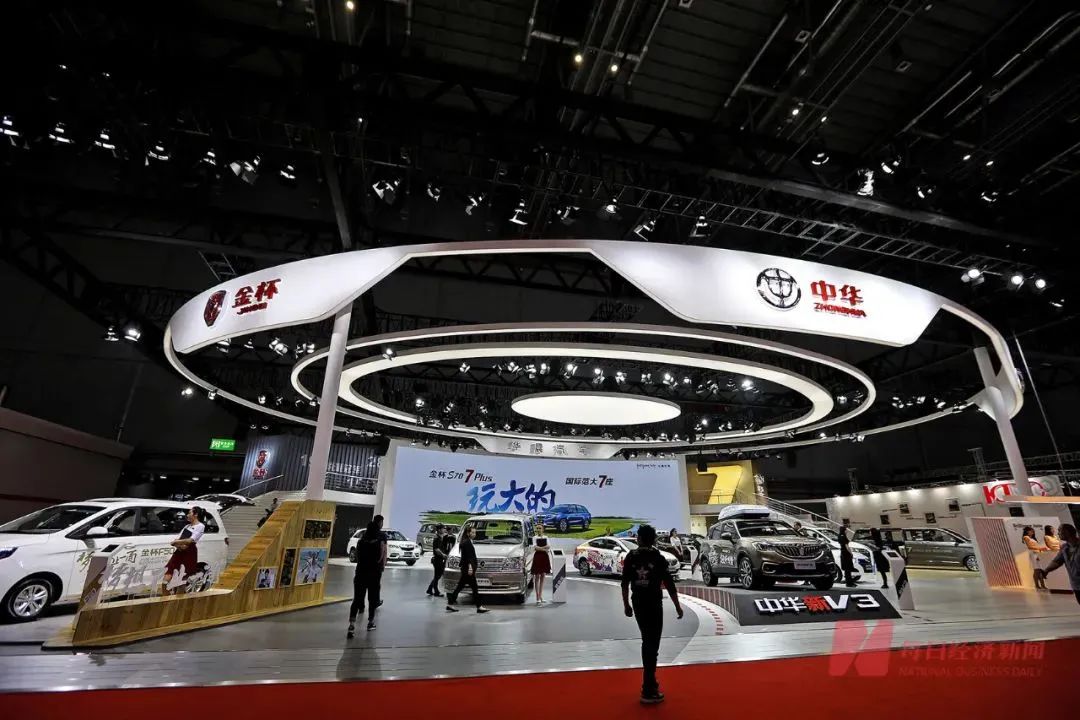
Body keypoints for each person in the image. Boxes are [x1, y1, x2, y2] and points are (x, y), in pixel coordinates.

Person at [622, 524, 683, 705]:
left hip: (638, 602)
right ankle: (648, 687)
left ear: (639, 539)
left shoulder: (631, 556)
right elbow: (669, 583)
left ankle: (650, 683)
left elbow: (624, 583)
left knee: (646, 640)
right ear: (654, 539)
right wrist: (677, 606)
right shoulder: (658, 557)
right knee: (652, 643)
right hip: (654, 603)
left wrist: (626, 605)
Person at [348, 520, 387, 636]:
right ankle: (370, 622)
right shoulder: (378, 542)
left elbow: (358, 557)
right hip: (374, 574)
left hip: (360, 573)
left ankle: (351, 625)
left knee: (357, 599)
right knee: (372, 599)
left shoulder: (360, 542)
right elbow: (380, 558)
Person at [162, 507, 205, 595]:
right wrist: (179, 545)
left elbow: (190, 540)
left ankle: (179, 600)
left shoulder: (200, 526)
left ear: (196, 514)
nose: (187, 515)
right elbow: (178, 539)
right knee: (167, 575)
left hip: (189, 553)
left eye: (189, 513)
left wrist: (177, 542)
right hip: (179, 552)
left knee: (182, 579)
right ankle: (165, 598)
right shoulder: (187, 526)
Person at [446, 526, 488, 614]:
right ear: (468, 533)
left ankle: (450, 603)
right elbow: (468, 557)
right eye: (472, 532)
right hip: (468, 569)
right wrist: (470, 568)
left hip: (466, 569)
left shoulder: (466, 541)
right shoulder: (467, 543)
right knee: (474, 588)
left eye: (475, 532)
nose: (474, 534)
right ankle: (479, 607)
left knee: (460, 587)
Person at [1037, 524, 1080, 605]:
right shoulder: (1064, 547)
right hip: (1076, 584)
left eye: (1060, 530)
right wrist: (1046, 570)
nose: (1058, 533)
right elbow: (1057, 561)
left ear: (1067, 532)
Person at [426, 525, 451, 597]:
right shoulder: (436, 538)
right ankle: (436, 591)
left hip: (440, 559)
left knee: (437, 576)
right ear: (439, 530)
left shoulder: (440, 537)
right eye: (443, 528)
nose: (444, 530)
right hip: (437, 559)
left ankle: (430, 589)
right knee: (437, 576)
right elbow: (436, 549)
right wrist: (443, 555)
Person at [532, 524, 552, 605]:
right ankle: (537, 597)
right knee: (537, 576)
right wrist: (544, 549)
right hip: (537, 557)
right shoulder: (534, 537)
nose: (538, 529)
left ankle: (540, 596)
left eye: (540, 528)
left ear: (542, 529)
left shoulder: (546, 537)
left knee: (543, 576)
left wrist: (541, 548)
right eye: (537, 528)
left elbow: (549, 546)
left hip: (544, 557)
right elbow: (535, 547)